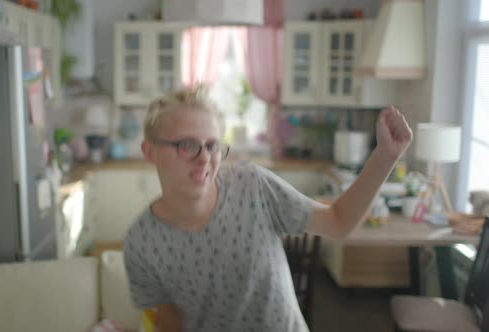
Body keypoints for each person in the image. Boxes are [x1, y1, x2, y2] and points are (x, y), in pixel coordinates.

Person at [123, 86, 413, 332]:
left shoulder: (253, 186)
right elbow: (171, 322)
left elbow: (338, 222)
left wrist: (386, 155)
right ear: (149, 151)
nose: (204, 159)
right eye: (186, 145)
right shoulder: (142, 242)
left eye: (212, 145)